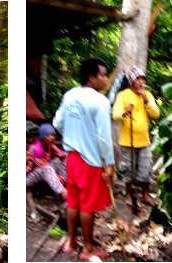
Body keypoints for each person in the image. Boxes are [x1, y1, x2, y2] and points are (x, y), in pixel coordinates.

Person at [53, 57, 116, 261]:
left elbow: (58, 123)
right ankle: (88, 248)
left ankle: (71, 242)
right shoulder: (100, 101)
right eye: (103, 75)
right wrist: (110, 164)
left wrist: (73, 135)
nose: (106, 79)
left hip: (72, 158)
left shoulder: (70, 95)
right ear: (92, 78)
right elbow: (104, 138)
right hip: (90, 161)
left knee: (73, 202)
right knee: (88, 206)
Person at [112, 67, 161, 208]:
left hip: (144, 141)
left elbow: (156, 114)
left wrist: (146, 99)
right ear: (132, 81)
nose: (141, 82)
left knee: (146, 169)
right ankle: (128, 195)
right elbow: (115, 114)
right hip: (128, 142)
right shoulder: (123, 95)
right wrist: (125, 112)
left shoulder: (148, 95)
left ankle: (145, 195)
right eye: (138, 79)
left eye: (143, 79)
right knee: (128, 170)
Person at [27, 123, 68, 206]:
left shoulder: (49, 145)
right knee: (46, 169)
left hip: (42, 172)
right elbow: (44, 169)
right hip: (28, 177)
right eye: (48, 135)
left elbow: (62, 154)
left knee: (57, 161)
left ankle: (70, 184)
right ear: (42, 136)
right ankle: (63, 192)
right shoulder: (36, 149)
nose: (52, 137)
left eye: (53, 135)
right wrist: (61, 180)